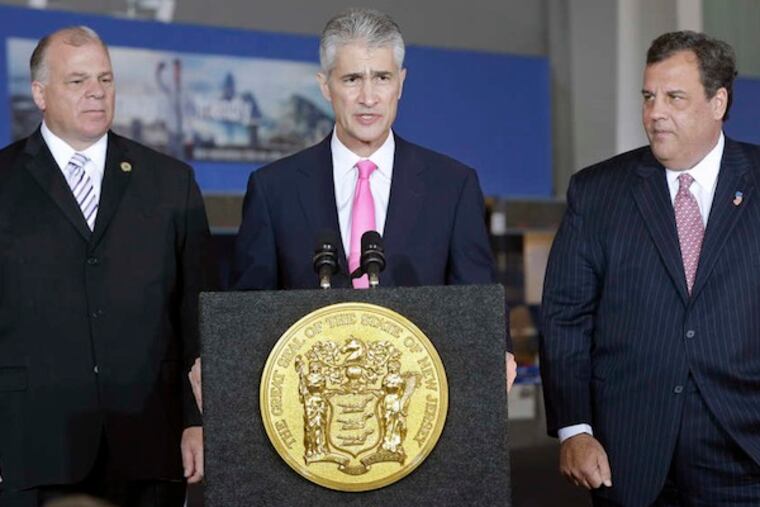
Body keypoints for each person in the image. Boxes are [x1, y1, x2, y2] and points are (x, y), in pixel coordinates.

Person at [229, 8, 515, 390]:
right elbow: (247, 315)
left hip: (419, 401)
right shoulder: (273, 189)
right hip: (308, 405)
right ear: (325, 85)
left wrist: (498, 351)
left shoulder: (453, 185)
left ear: (401, 83)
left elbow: (479, 306)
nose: (368, 97)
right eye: (351, 79)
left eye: (381, 77)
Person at [540, 30, 760, 506]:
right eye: (648, 96)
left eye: (674, 97)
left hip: (745, 455)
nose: (655, 112)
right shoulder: (597, 192)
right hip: (628, 459)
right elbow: (565, 317)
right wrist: (574, 428)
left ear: (718, 101)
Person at [0, 26, 211, 507]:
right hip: (29, 444)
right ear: (39, 93)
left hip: (149, 443)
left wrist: (196, 419)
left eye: (105, 79)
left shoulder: (170, 183)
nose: (96, 91)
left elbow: (197, 314)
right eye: (77, 81)